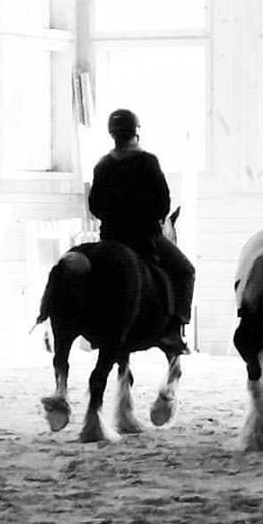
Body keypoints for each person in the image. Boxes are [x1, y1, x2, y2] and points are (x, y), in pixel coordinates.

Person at [88, 109, 196, 353]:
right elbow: (163, 204)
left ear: (112, 134)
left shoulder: (103, 165)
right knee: (185, 270)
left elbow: (94, 205)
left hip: (111, 238)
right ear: (136, 132)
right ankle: (174, 330)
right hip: (144, 236)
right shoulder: (147, 161)